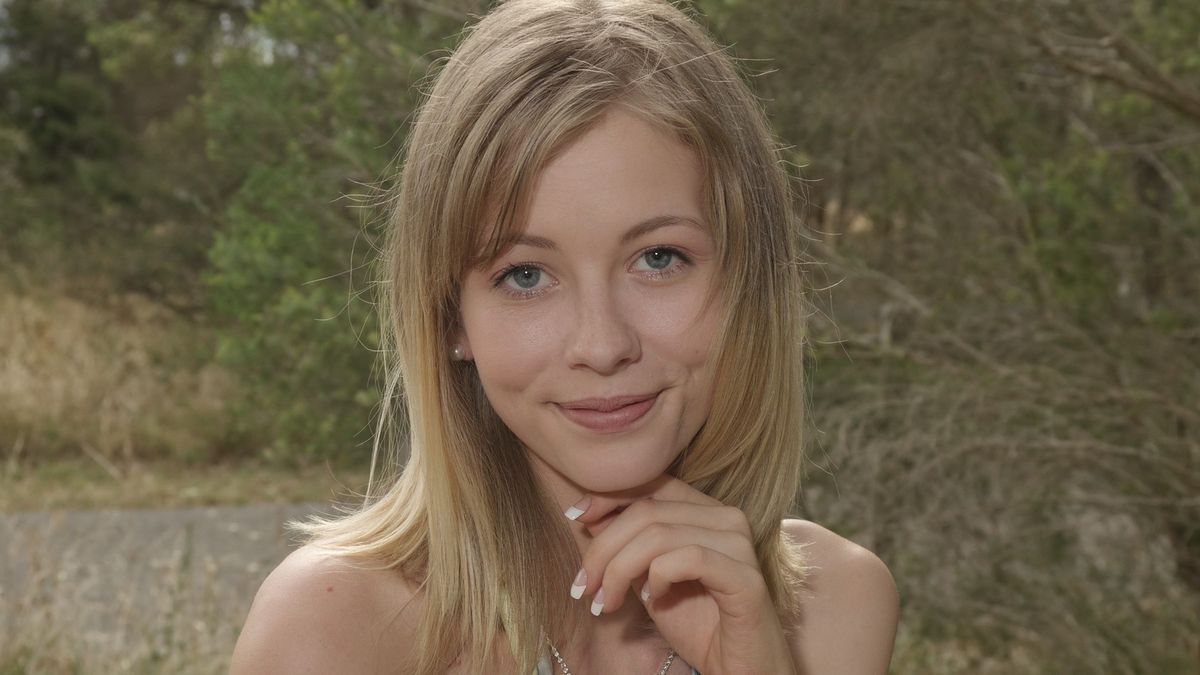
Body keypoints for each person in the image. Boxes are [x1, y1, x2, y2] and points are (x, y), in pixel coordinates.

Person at [230, 0, 899, 673]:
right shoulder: (334, 624)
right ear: (451, 317)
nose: (602, 346)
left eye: (659, 258)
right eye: (525, 275)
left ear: (749, 285)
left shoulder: (832, 605)